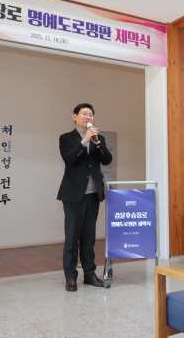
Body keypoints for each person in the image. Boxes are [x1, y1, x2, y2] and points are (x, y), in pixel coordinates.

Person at [57, 103, 113, 291]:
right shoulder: (66, 138)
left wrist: (97, 144)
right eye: (84, 114)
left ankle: (90, 275)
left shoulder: (99, 138)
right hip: (73, 194)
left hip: (93, 194)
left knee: (89, 238)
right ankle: (70, 277)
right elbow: (69, 159)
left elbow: (107, 160)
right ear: (75, 116)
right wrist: (85, 140)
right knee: (72, 237)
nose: (88, 117)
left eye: (90, 114)